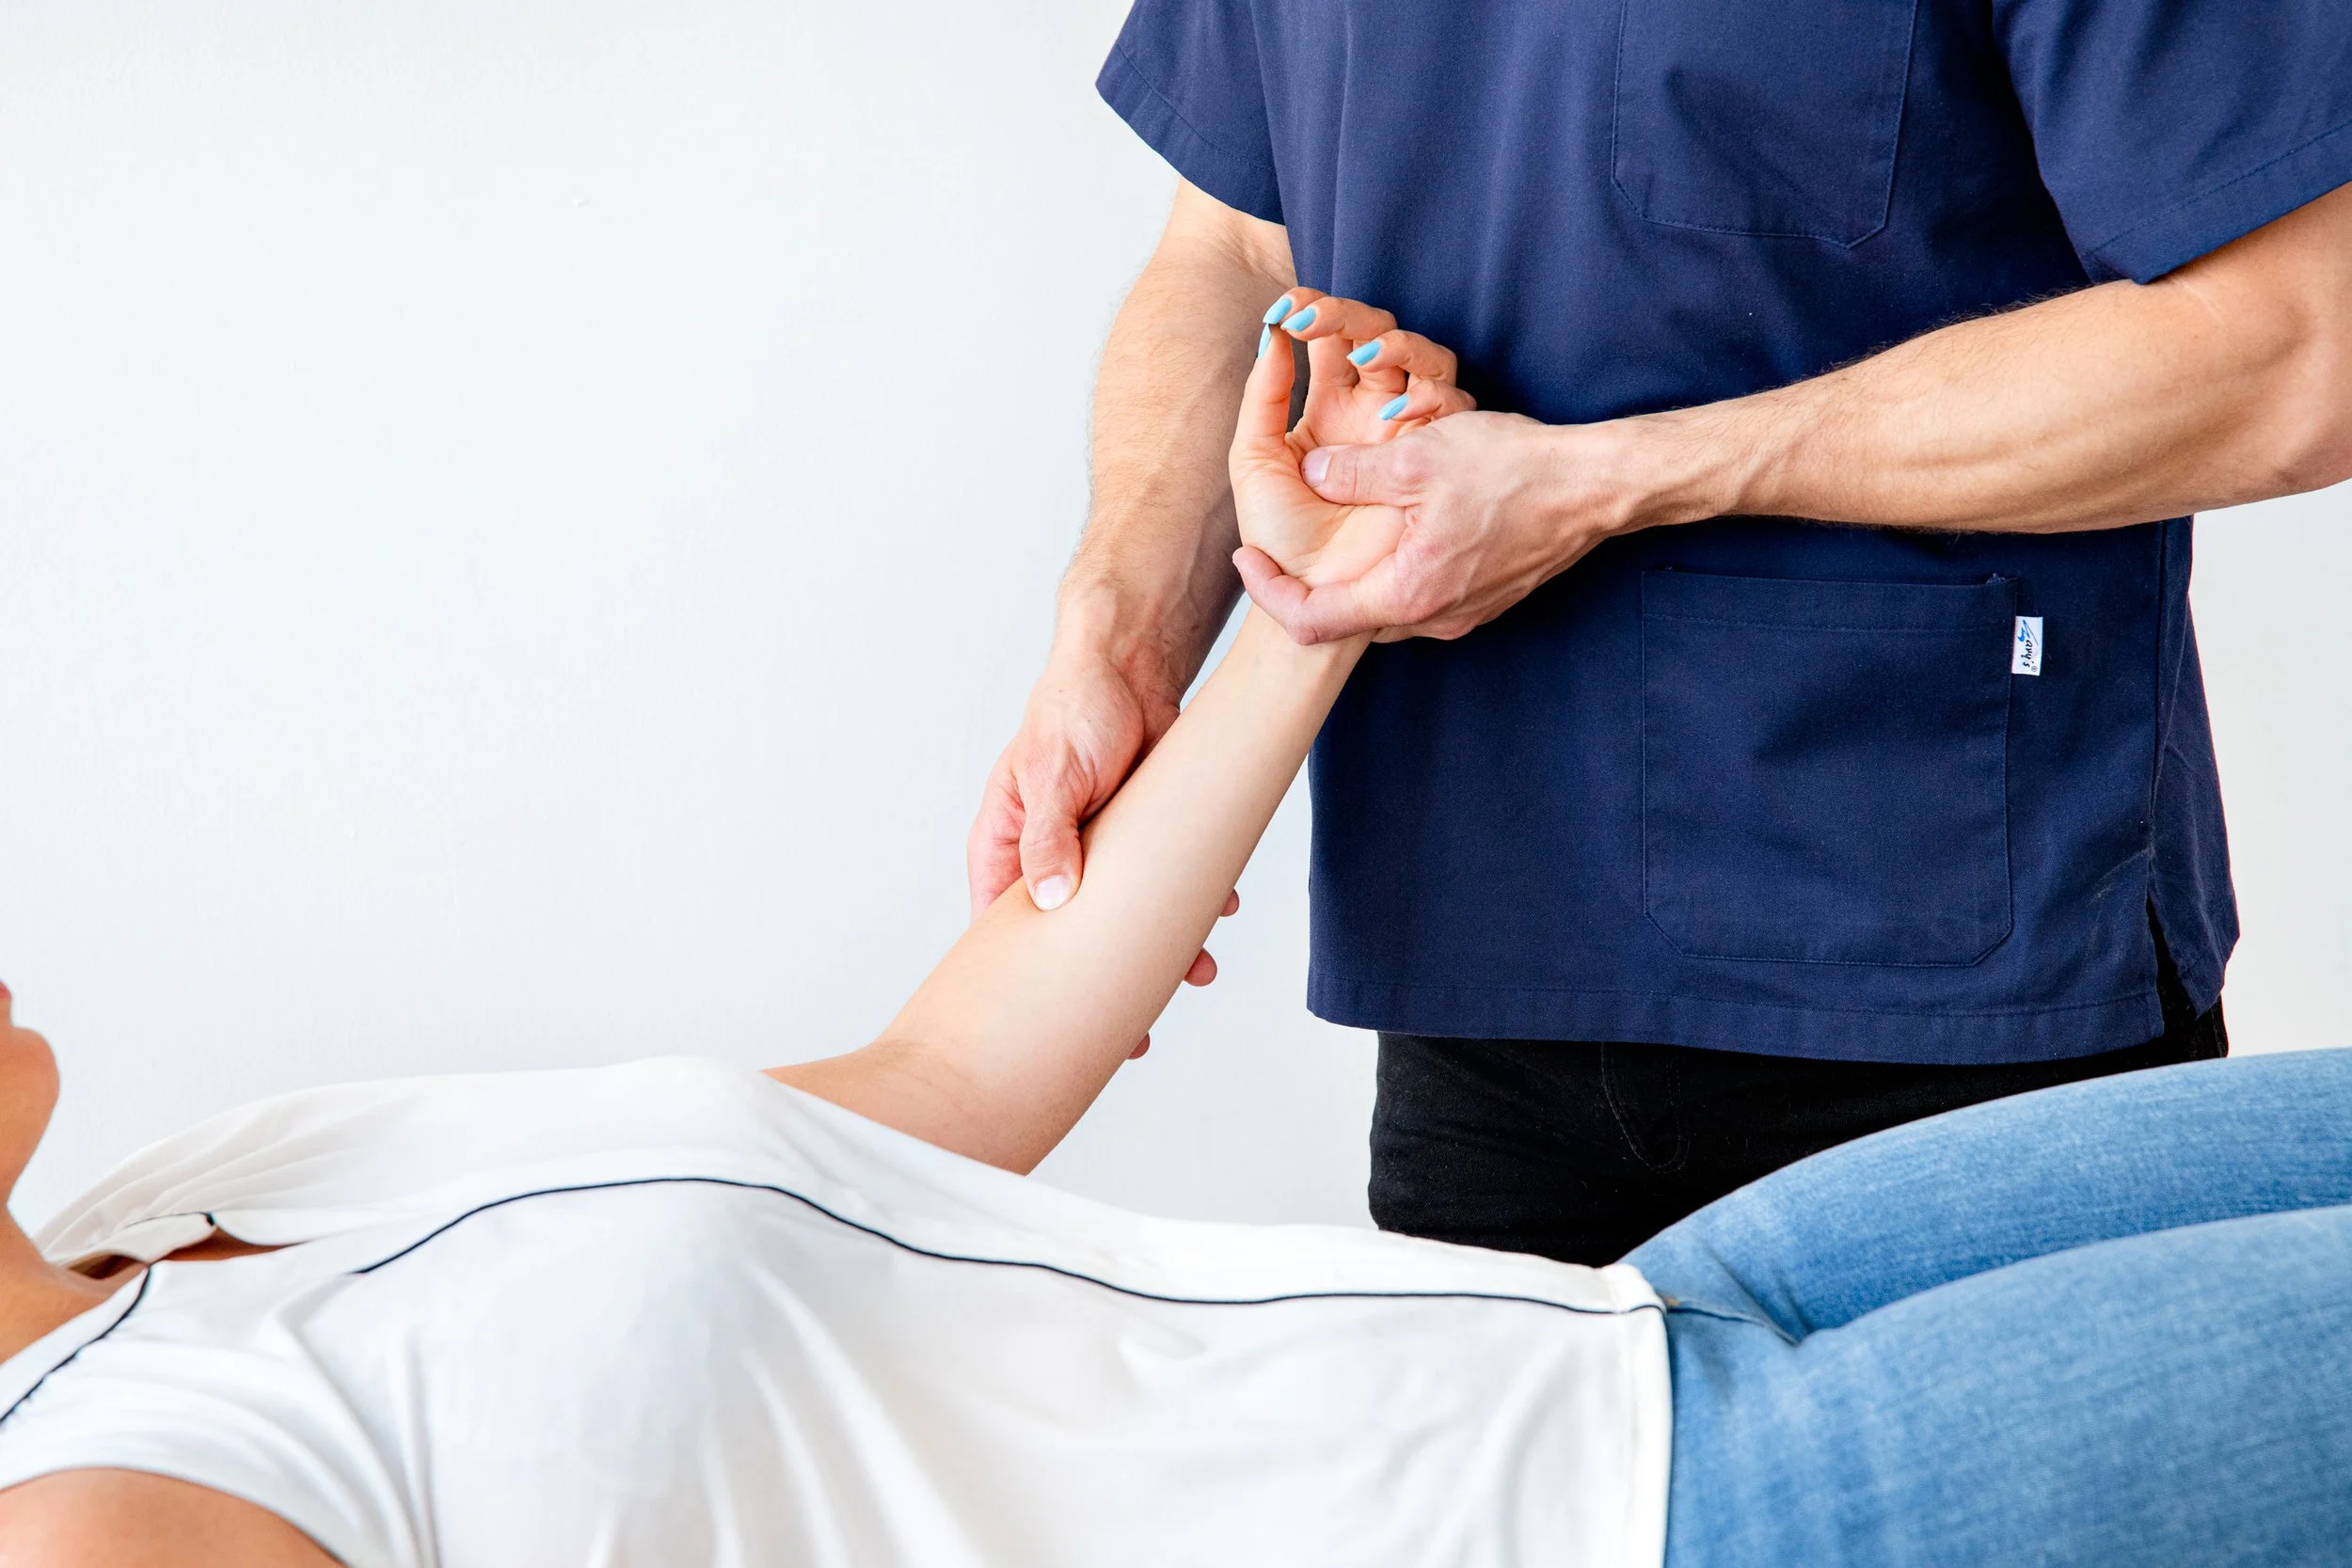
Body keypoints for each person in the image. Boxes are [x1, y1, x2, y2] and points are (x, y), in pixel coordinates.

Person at [2, 321, 2350, 1568]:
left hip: (1635, 1331)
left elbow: (945, 1083)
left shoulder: (214, 1203)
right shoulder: (111, 1504)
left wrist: (1308, 591)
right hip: (1652, 1523)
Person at [973, 0, 2352, 1264]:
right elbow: (1232, 244)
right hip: (1482, 958)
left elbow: (2303, 349)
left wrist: (1623, 476)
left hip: (1945, 966)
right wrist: (1120, 628)